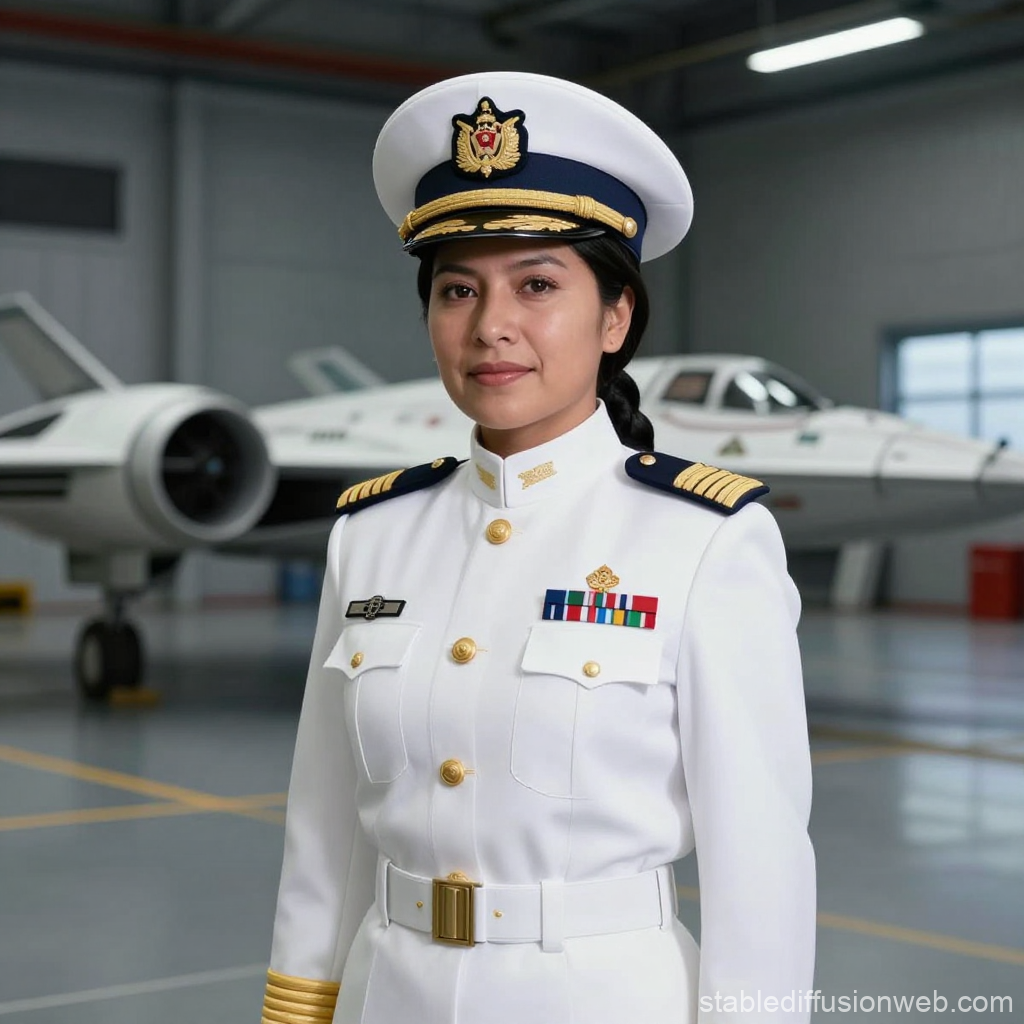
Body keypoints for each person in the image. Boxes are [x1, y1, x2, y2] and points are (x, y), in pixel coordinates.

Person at [260, 72, 815, 1024]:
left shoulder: (704, 539)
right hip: (383, 995)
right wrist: (302, 1005)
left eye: (539, 285)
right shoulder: (372, 534)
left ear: (616, 318)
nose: (491, 328)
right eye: (457, 289)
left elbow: (758, 858)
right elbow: (324, 823)